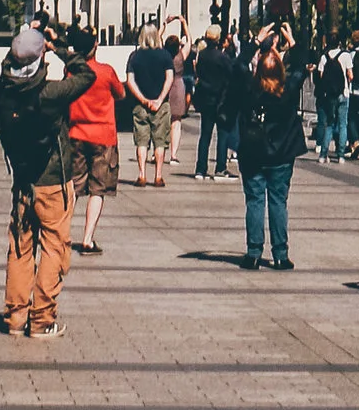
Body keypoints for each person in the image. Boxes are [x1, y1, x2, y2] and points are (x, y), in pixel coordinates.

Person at [0, 24, 78, 340]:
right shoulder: (51, 94)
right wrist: (59, 47)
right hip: (52, 180)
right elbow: (86, 75)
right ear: (41, 59)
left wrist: (23, 43)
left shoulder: (5, 90)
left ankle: (16, 317)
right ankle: (42, 319)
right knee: (54, 246)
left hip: (22, 182)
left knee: (19, 247)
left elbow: (9, 66)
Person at [237, 29, 307, 270]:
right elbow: (300, 67)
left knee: (255, 201)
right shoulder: (287, 90)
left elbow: (237, 67)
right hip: (281, 154)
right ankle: (280, 254)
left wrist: (256, 42)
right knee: (278, 202)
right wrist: (293, 42)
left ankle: (253, 252)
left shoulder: (249, 89)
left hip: (253, 153)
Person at [63, 30, 124, 252]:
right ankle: (88, 238)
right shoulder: (106, 72)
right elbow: (120, 94)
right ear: (95, 46)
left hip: (77, 133)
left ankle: (62, 233)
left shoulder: (71, 72)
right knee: (98, 189)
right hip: (103, 136)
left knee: (74, 186)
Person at [123, 26, 176, 187]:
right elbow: (169, 78)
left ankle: (142, 174)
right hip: (161, 105)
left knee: (141, 141)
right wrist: (159, 99)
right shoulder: (165, 55)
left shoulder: (135, 56)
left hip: (140, 105)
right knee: (160, 142)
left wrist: (143, 99)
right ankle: (158, 176)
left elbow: (130, 81)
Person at [189, 27, 235, 178]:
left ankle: (200, 168)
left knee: (205, 135)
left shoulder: (201, 55)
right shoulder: (222, 58)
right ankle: (220, 167)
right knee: (223, 134)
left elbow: (200, 74)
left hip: (206, 99)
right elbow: (231, 75)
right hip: (220, 100)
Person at [314, 40, 348, 163]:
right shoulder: (346, 55)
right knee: (343, 124)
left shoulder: (324, 57)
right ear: (339, 42)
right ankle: (341, 155)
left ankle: (323, 154)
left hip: (329, 95)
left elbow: (321, 76)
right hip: (344, 93)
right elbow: (351, 75)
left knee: (329, 124)